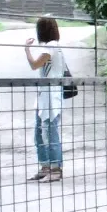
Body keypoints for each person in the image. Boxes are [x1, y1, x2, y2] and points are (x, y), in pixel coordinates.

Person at [23, 16, 66, 183]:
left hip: (51, 96)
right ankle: (45, 166)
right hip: (44, 95)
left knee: (50, 131)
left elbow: (35, 65)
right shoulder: (50, 47)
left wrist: (26, 49)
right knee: (39, 132)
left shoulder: (52, 47)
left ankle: (55, 168)